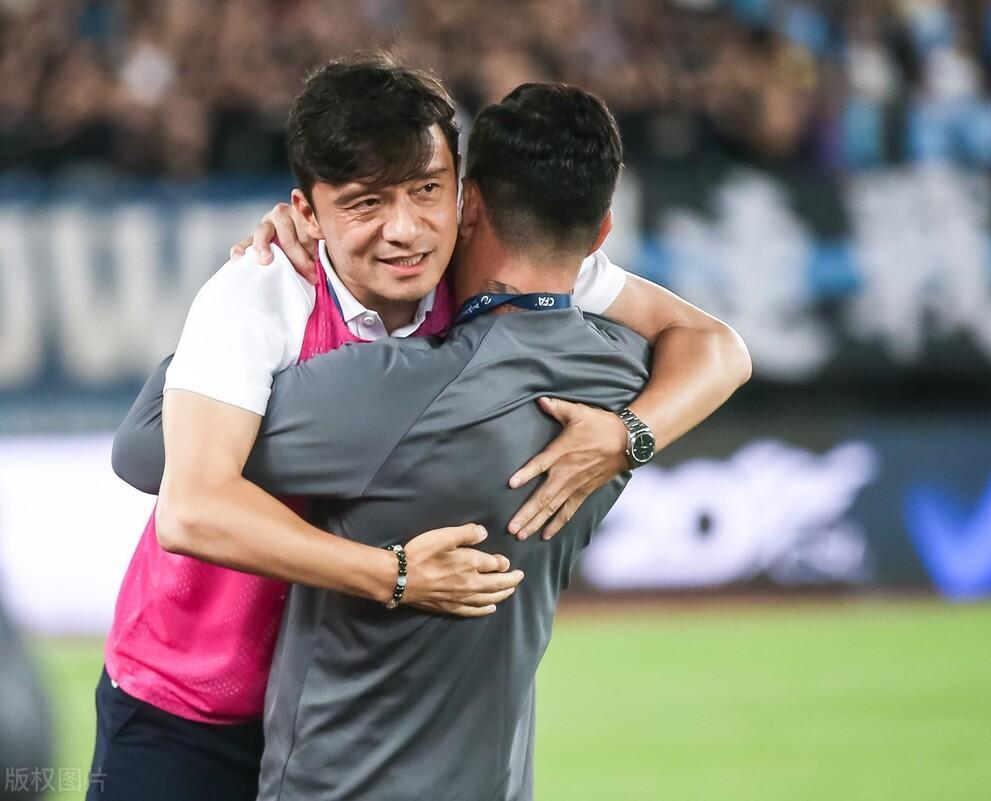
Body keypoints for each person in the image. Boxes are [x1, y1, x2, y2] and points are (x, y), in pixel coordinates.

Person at [92, 53, 751, 801]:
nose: (404, 230)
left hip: (326, 713)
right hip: (187, 705)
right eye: (365, 203)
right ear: (307, 213)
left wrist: (628, 434)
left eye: (426, 189)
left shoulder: (476, 260)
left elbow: (718, 346)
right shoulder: (261, 291)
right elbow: (190, 508)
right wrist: (396, 576)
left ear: (464, 194)